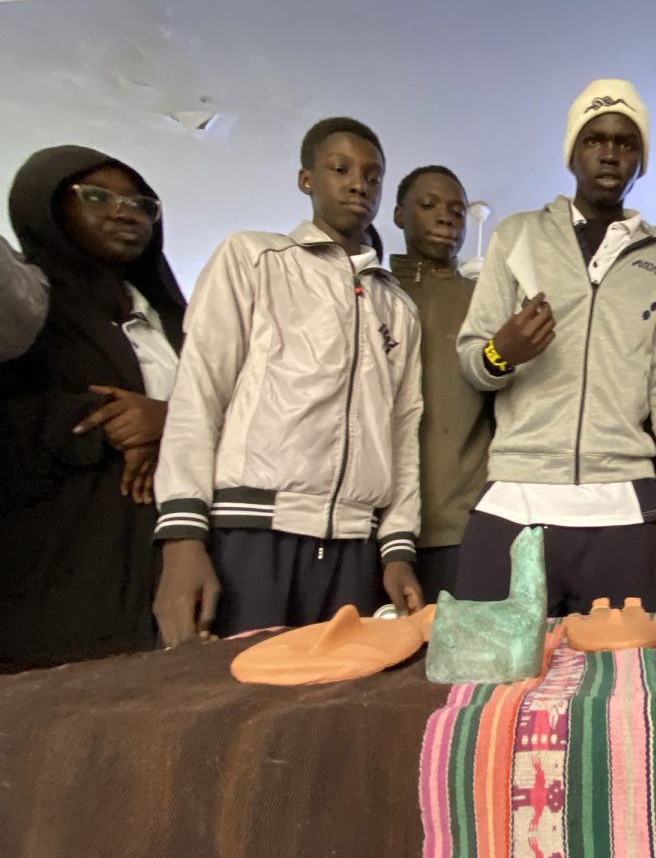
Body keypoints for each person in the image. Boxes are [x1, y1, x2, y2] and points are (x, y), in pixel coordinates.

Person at [152, 117, 425, 646]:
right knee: (228, 688)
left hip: (354, 546)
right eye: (340, 169)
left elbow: (402, 431)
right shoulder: (253, 259)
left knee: (340, 692)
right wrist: (183, 535)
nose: (358, 184)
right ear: (306, 180)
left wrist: (396, 546)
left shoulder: (398, 307)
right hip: (252, 533)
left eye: (372, 176)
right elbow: (200, 392)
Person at [455, 78, 656, 615]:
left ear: (641, 160)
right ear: (572, 153)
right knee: (484, 663)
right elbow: (473, 360)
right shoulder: (516, 236)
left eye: (626, 142)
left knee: (624, 668)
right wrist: (502, 352)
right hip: (516, 498)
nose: (610, 153)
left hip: (624, 507)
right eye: (594, 139)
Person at [0, 145, 185, 670]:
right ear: (48, 207)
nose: (126, 213)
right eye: (98, 197)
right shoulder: (24, 311)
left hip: (166, 560)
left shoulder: (173, 319)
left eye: (142, 204)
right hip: (60, 571)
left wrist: (167, 420)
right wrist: (98, 424)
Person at [389, 165, 491, 600]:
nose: (446, 218)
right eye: (428, 205)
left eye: (458, 211)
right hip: (373, 530)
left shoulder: (483, 301)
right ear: (399, 215)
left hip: (461, 526)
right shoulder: (375, 294)